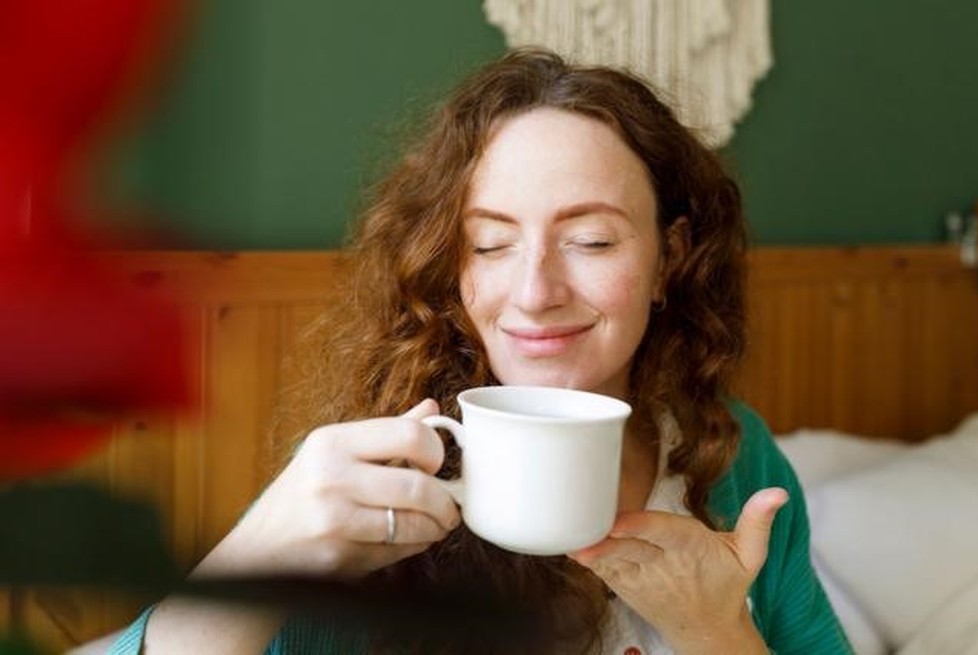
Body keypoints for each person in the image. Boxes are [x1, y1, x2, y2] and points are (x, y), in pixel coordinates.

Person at [111, 48, 851, 654]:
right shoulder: (378, 482)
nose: (533, 291)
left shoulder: (732, 458)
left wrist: (717, 631)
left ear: (669, 258)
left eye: (591, 240)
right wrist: (266, 547)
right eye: (489, 242)